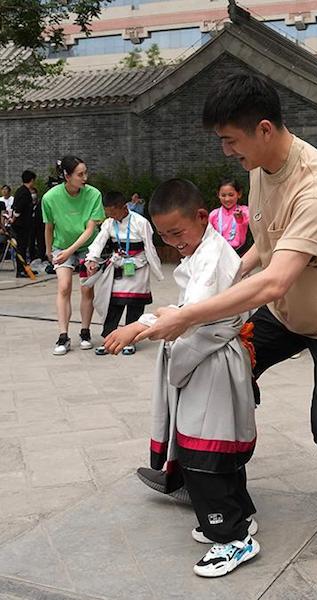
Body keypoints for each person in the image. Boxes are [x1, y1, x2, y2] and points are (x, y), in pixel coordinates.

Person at [134, 73, 317, 568]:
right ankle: (206, 482)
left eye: (231, 140)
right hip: (287, 309)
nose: (228, 152)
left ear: (265, 128)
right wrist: (230, 270)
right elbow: (269, 245)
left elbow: (275, 279)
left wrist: (187, 314)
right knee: (215, 369)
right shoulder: (259, 167)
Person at [104, 179, 259, 577]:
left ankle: (234, 539)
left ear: (202, 217)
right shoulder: (203, 251)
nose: (174, 242)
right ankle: (239, 515)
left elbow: (188, 316)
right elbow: (182, 309)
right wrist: (139, 325)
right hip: (206, 358)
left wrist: (138, 329)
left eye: (178, 233)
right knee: (212, 445)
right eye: (165, 236)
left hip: (212, 358)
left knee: (204, 451)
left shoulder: (211, 257)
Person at [84, 191, 164, 356]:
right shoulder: (109, 223)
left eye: (113, 212)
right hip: (119, 266)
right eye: (108, 213)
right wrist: (92, 258)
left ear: (124, 207)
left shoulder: (141, 222)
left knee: (135, 305)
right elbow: (99, 241)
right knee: (113, 304)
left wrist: (156, 269)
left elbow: (149, 247)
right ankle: (108, 339)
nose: (112, 216)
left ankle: (131, 340)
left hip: (138, 267)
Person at [43, 156, 105, 355]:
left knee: (87, 289)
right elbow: (49, 226)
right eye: (80, 174)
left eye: (85, 173)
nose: (85, 177)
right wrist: (48, 249)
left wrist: (68, 252)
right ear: (66, 176)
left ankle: (85, 332)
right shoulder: (50, 198)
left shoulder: (94, 194)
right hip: (61, 245)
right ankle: (63, 336)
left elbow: (89, 229)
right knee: (64, 287)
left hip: (88, 247)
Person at [209, 178, 250, 256]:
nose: (227, 199)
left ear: (239, 194)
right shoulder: (214, 215)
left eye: (231, 195)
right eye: (223, 195)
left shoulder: (244, 211)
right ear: (218, 195)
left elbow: (247, 223)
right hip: (219, 253)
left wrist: (240, 219)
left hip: (239, 253)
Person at [11, 171, 36, 278]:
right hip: (21, 225)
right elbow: (18, 209)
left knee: (23, 246)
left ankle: (25, 268)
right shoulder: (25, 192)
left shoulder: (20, 190)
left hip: (23, 224)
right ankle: (20, 271)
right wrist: (13, 218)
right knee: (21, 247)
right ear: (31, 180)